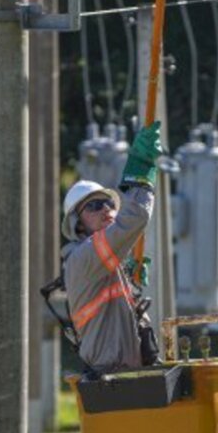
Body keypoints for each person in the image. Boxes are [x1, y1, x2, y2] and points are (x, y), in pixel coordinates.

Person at [60, 121, 163, 375]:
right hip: (111, 379)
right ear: (78, 225)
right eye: (93, 207)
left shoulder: (104, 263)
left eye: (108, 203)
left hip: (127, 374)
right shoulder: (82, 258)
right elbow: (134, 218)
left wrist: (128, 275)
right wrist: (141, 169)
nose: (105, 209)